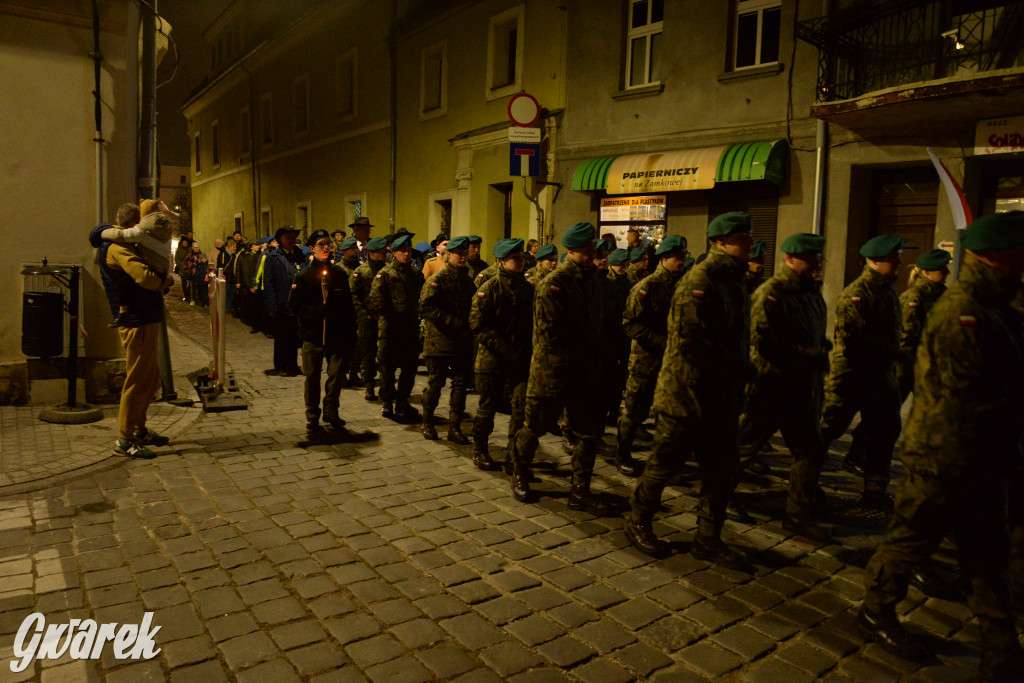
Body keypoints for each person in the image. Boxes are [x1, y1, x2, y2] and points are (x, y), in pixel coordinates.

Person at [858, 212, 1024, 680]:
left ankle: (1001, 648)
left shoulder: (996, 307)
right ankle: (875, 609)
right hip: (945, 456)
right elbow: (968, 396)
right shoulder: (963, 312)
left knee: (988, 552)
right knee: (910, 541)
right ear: (996, 256)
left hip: (983, 458)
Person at [624, 212, 753, 569]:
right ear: (719, 242)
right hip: (687, 394)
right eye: (740, 237)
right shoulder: (700, 281)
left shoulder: (734, 281)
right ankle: (638, 521)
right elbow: (691, 342)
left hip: (722, 395)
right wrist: (737, 366)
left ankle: (708, 538)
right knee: (664, 463)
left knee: (722, 468)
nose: (748, 242)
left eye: (748, 235)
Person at [507, 223, 609, 512]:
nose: (593, 252)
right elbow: (552, 333)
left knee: (587, 434)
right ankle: (519, 472)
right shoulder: (555, 283)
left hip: (584, 372)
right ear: (572, 249)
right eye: (588, 247)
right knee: (534, 426)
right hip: (552, 370)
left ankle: (580, 491)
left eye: (593, 247)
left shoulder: (595, 282)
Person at [736, 233, 831, 542]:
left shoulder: (810, 292)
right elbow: (760, 339)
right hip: (771, 386)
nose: (817, 264)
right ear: (790, 259)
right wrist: (807, 353)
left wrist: (818, 345)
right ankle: (716, 499)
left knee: (810, 451)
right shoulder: (772, 293)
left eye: (818, 258)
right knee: (743, 449)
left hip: (801, 389)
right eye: (810, 259)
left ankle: (797, 515)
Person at [820, 233, 904, 509]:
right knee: (827, 430)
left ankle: (875, 491)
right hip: (852, 376)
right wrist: (895, 351)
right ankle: (804, 486)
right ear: (873, 261)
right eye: (893, 258)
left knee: (884, 432)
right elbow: (856, 339)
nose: (898, 262)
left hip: (881, 377)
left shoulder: (888, 292)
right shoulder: (857, 294)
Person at [89, 206, 175, 459]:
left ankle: (139, 429)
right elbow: (144, 278)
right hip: (136, 320)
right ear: (136, 226)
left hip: (143, 317)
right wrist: (165, 282)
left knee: (149, 378)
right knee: (137, 381)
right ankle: (124, 440)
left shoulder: (121, 242)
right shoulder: (118, 247)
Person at [616, 235, 688, 476]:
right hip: (646, 361)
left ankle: (663, 458)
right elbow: (629, 323)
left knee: (668, 414)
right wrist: (662, 343)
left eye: (684, 256)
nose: (683, 260)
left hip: (673, 363)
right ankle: (622, 453)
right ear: (665, 258)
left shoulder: (684, 284)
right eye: (679, 256)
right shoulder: (646, 287)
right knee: (635, 411)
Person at [472, 238, 533, 473]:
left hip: (520, 360)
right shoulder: (489, 288)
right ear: (501, 260)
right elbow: (477, 325)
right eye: (514, 258)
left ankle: (514, 457)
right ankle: (480, 450)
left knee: (520, 410)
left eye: (521, 258)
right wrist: (505, 349)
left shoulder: (527, 288)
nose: (520, 262)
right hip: (493, 359)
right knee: (487, 407)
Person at [289, 230, 357, 433]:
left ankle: (331, 411)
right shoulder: (303, 276)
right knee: (312, 377)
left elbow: (348, 306)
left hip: (336, 334)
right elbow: (295, 305)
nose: (326, 247)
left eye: (328, 244)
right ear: (312, 249)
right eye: (321, 244)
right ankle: (312, 415)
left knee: (336, 375)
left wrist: (350, 332)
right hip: (313, 335)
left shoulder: (339, 274)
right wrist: (316, 311)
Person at [419, 235, 476, 445]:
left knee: (460, 385)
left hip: (461, 341)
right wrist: (453, 322)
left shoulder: (467, 280)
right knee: (436, 383)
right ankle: (427, 421)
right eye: (458, 254)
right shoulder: (438, 279)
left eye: (464, 254)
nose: (462, 258)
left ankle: (455, 426)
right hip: (440, 341)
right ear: (448, 254)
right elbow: (426, 306)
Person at [369, 234, 425, 421]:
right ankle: (387, 402)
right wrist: (392, 316)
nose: (406, 254)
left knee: (409, 369)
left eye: (409, 251)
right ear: (393, 253)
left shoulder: (416, 274)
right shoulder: (385, 274)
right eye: (402, 251)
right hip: (390, 330)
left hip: (409, 329)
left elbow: (421, 299)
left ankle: (402, 400)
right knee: (387, 368)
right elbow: (376, 300)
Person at [896, 248, 951, 398]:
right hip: (912, 367)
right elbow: (906, 338)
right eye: (942, 269)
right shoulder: (914, 297)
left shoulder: (943, 294)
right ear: (926, 272)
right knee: (885, 415)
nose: (948, 272)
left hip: (932, 366)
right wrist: (901, 373)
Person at [263, 226, 306, 376]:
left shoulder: (299, 256)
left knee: (294, 337)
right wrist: (272, 306)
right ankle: (281, 365)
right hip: (282, 303)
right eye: (288, 237)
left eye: (293, 237)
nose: (291, 240)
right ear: (280, 239)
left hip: (297, 304)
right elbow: (268, 283)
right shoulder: (272, 258)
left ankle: (292, 365)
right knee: (282, 337)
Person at [351, 237, 388, 399]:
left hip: (384, 318)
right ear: (371, 253)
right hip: (366, 320)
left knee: (385, 354)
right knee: (368, 353)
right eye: (380, 252)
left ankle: (386, 387)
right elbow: (353, 296)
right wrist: (363, 315)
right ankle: (369, 385)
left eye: (384, 252)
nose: (383, 255)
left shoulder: (387, 271)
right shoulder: (361, 272)